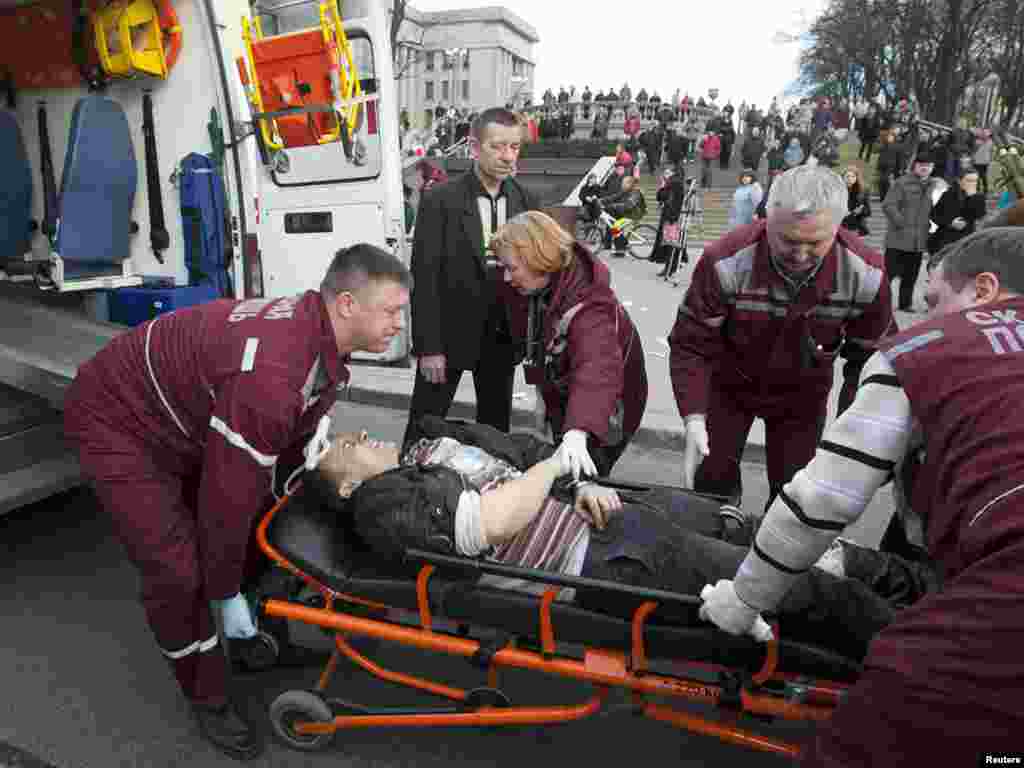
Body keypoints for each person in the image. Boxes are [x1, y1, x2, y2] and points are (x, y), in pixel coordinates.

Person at [62, 244, 412, 760]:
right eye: (391, 311)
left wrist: (304, 496)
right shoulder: (274, 374)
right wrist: (224, 592)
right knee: (178, 570)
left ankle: (256, 639)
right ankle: (207, 695)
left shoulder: (320, 343)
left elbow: (284, 457)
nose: (399, 324)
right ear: (345, 305)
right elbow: (226, 501)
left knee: (262, 516)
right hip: (117, 420)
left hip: (175, 416)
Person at [700, 227, 1024, 766]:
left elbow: (819, 502)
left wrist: (744, 600)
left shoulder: (927, 352)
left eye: (935, 302)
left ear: (984, 291)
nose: (926, 319)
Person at [299, 420, 940, 664]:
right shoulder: (383, 505)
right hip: (609, 559)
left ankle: (927, 594)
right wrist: (556, 472)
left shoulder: (422, 454)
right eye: (349, 448)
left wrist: (574, 483)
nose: (360, 436)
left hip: (612, 517)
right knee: (798, 582)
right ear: (348, 487)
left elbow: (522, 463)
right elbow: (491, 523)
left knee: (763, 531)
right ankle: (930, 662)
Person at [668, 165, 894, 511]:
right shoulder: (725, 261)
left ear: (838, 227)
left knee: (795, 497)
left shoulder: (866, 274)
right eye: (788, 240)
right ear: (766, 219)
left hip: (803, 398)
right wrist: (693, 417)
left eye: (815, 243)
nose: (800, 255)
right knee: (709, 483)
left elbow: (870, 365)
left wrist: (852, 439)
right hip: (728, 388)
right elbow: (691, 344)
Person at [405, 107, 539, 448]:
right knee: (425, 425)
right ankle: (401, 486)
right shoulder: (440, 200)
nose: (508, 156)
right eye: (498, 147)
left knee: (495, 432)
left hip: (502, 338)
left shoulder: (527, 200)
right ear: (474, 148)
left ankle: (492, 493)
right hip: (448, 338)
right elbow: (424, 276)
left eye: (514, 147)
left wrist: (531, 340)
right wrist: (428, 347)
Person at [493, 211, 648, 476]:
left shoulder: (590, 305)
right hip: (567, 391)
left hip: (609, 405)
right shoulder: (542, 285)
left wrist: (577, 432)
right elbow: (541, 341)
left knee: (584, 476)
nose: (507, 278)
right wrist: (544, 394)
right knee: (564, 463)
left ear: (538, 258)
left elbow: (597, 370)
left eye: (512, 268)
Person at [882, 151, 939, 312]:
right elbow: (888, 205)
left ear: (932, 168)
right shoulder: (902, 183)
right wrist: (901, 222)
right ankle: (880, 302)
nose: (924, 168)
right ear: (915, 166)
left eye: (928, 166)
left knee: (911, 276)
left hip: (918, 241)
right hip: (898, 239)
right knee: (889, 275)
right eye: (921, 165)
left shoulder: (934, 186)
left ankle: (905, 304)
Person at [928, 168, 986, 254]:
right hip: (945, 239)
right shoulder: (948, 194)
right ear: (959, 181)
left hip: (966, 240)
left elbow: (978, 215)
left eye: (975, 181)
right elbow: (934, 215)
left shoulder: (978, 197)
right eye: (969, 181)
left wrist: (971, 197)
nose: (973, 184)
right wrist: (950, 223)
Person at [598, 175, 646, 256]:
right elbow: (614, 197)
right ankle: (619, 249)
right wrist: (601, 200)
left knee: (616, 227)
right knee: (613, 226)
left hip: (632, 215)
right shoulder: (625, 191)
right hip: (624, 213)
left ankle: (623, 247)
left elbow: (628, 205)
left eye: (624, 183)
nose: (622, 184)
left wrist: (614, 205)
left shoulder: (636, 193)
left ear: (630, 184)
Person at [841, 165, 872, 237]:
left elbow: (868, 211)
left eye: (853, 176)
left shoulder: (863, 191)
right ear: (843, 177)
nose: (850, 179)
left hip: (856, 226)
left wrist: (860, 211)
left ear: (856, 178)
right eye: (847, 176)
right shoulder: (837, 191)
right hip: (841, 225)